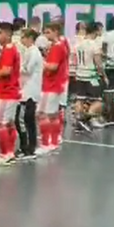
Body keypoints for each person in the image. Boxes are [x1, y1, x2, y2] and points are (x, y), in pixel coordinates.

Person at [0, 22, 22, 166]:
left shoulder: (8, 50)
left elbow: (6, 71)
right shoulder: (9, 49)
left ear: (8, 34)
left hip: (6, 92)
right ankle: (10, 152)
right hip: (9, 91)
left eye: (0, 33)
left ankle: (5, 153)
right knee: (8, 123)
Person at [36, 22, 70, 154]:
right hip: (55, 84)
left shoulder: (57, 47)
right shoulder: (59, 45)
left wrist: (42, 63)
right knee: (53, 114)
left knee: (43, 114)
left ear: (56, 31)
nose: (46, 35)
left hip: (51, 85)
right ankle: (54, 141)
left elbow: (53, 66)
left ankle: (46, 143)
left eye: (48, 32)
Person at [17, 29, 42, 158]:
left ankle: (29, 147)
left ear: (30, 38)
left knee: (26, 119)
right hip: (26, 89)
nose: (22, 40)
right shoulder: (28, 51)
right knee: (26, 119)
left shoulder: (34, 52)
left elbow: (27, 69)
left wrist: (15, 67)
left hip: (30, 90)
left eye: (24, 37)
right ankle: (26, 146)